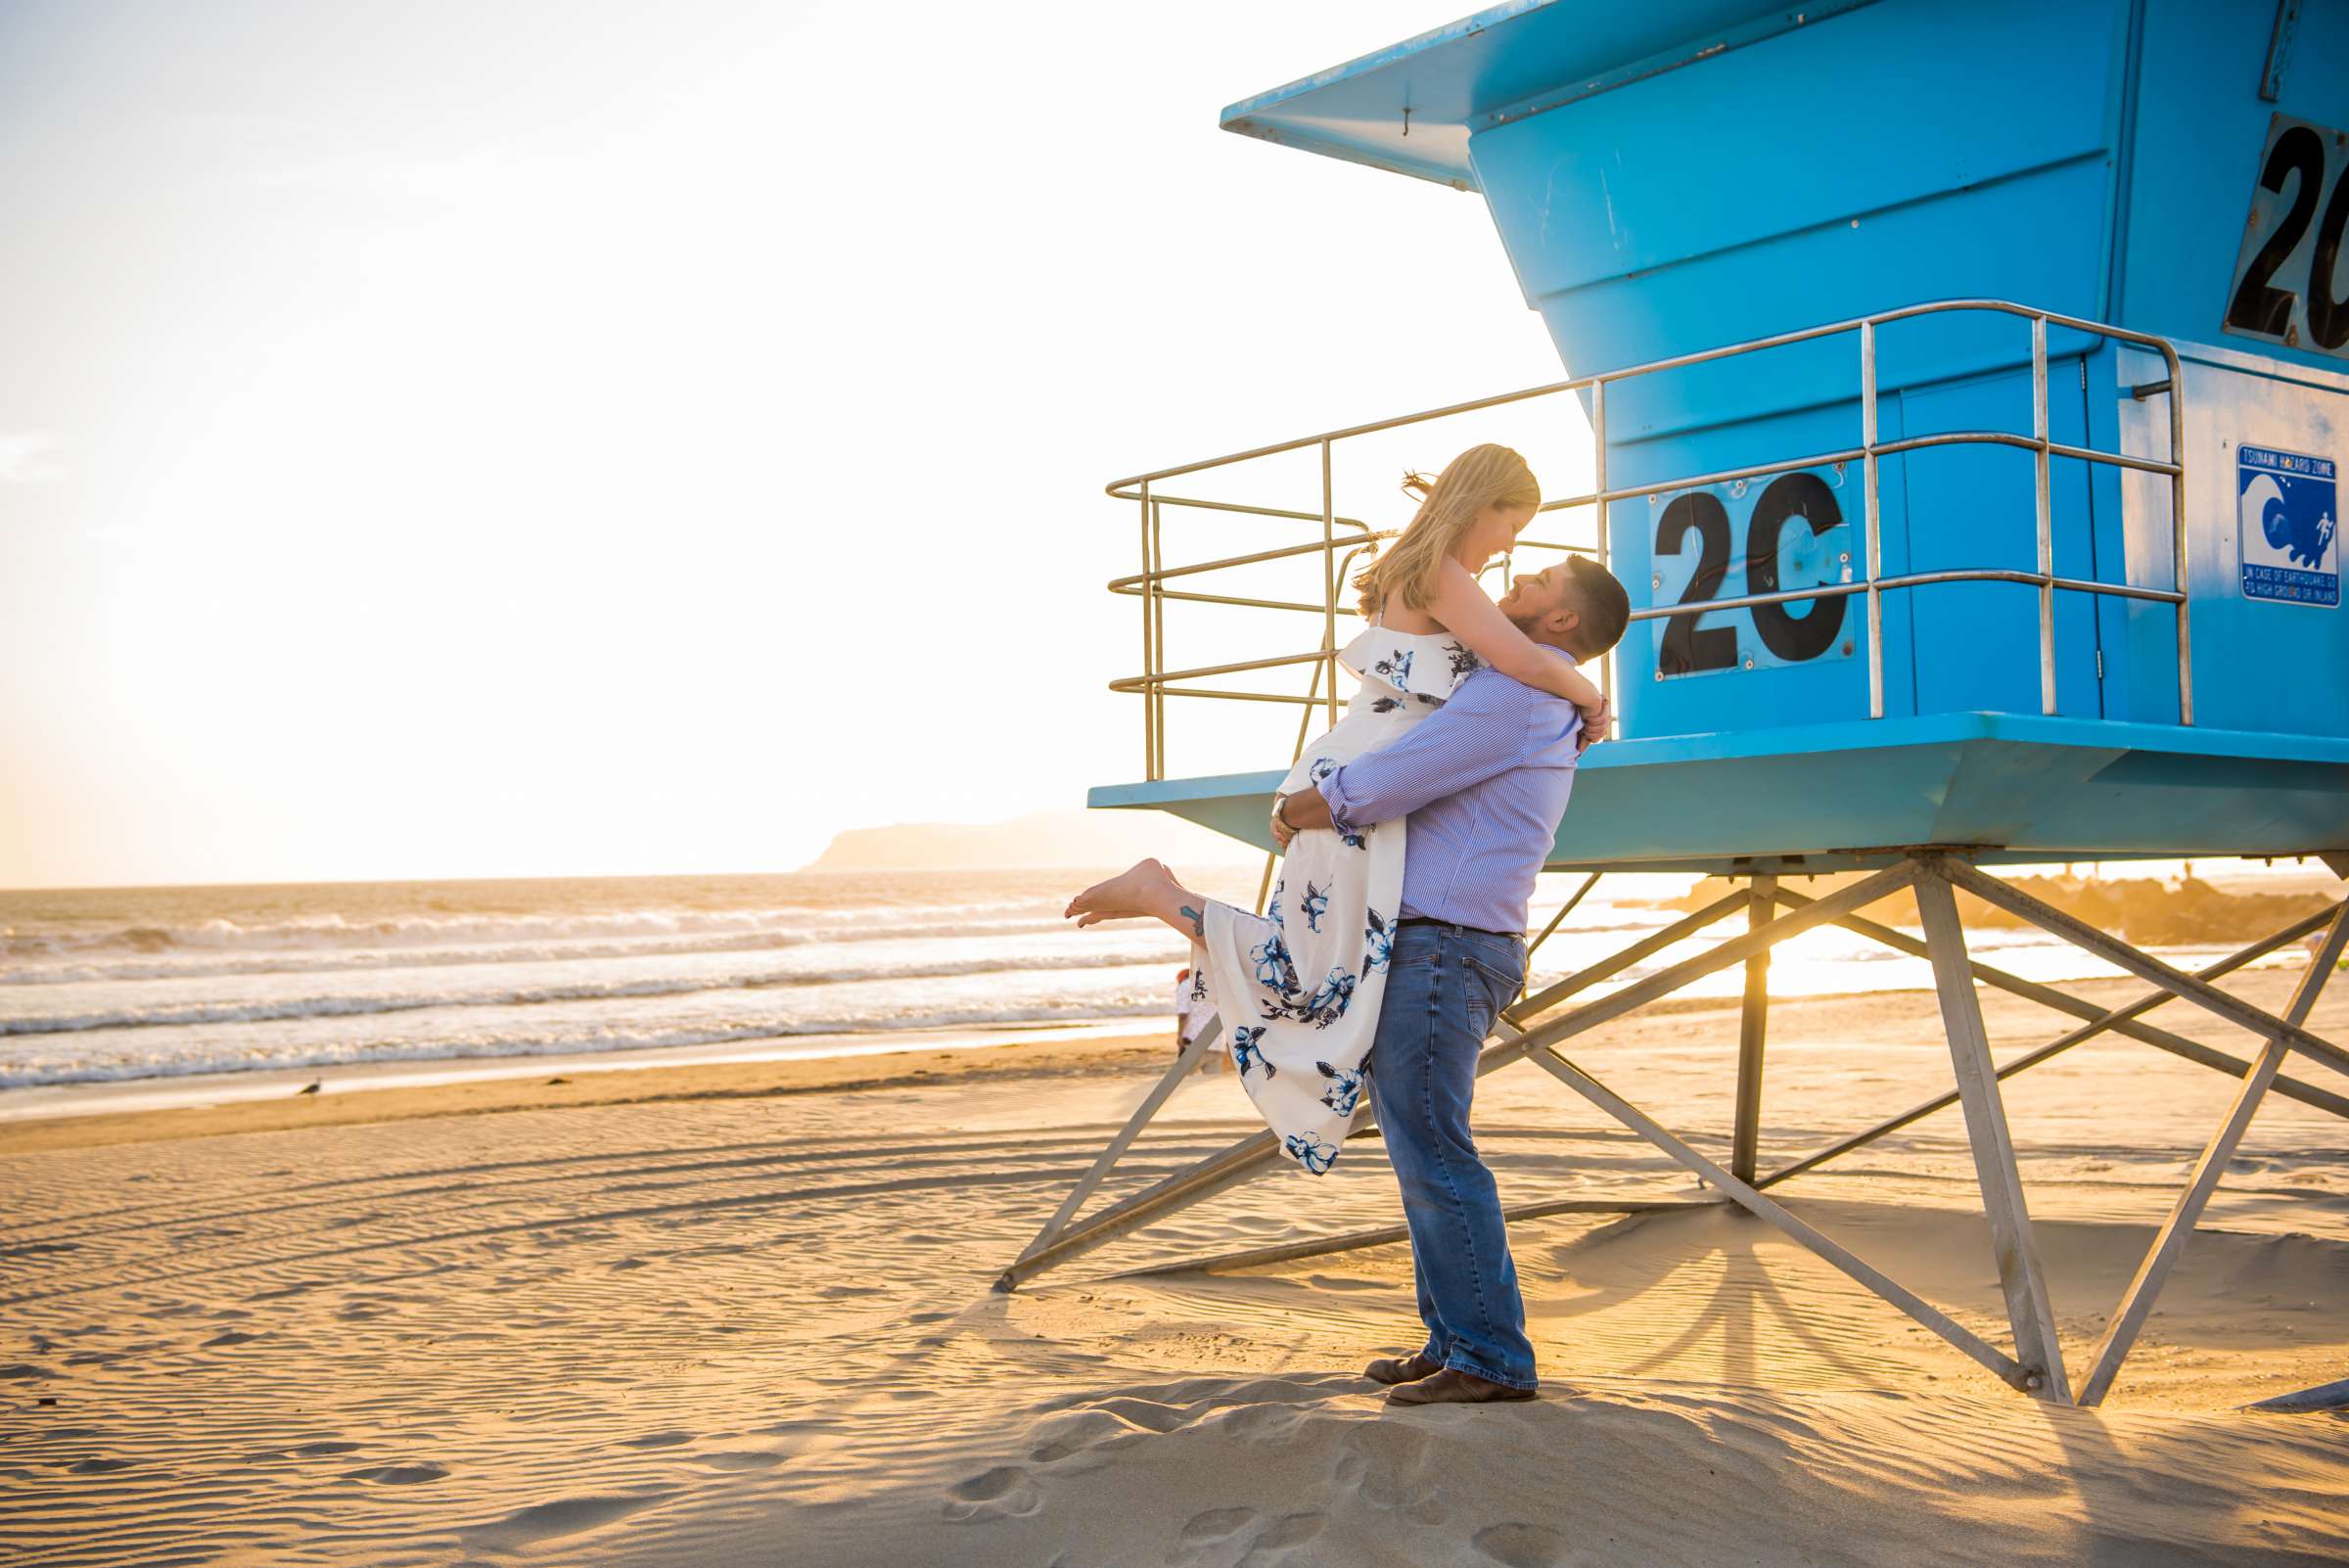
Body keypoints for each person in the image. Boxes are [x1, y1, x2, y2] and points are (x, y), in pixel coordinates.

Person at [1068, 550, 1630, 1404]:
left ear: (1562, 623)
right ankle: (1455, 1341)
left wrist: (1299, 808)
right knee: (1420, 1150)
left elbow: (1395, 779)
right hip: (1437, 943)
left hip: (1444, 945)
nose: (1519, 579)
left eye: (1542, 579)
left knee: (1435, 1152)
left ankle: (1489, 1357)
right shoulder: (1532, 686)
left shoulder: (1519, 695)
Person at [1065, 445, 1611, 1179]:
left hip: (1369, 766)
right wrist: (1589, 696)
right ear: (1485, 505)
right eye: (1516, 526)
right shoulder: (1441, 574)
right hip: (1367, 768)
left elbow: (1514, 666)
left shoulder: (1444, 573)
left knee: (1317, 961)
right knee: (1314, 966)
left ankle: (1167, 898)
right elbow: (1526, 663)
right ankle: (1163, 897)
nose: (1514, 548)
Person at [1172, 966, 1219, 1073]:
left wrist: (1179, 1036)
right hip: (1217, 1041)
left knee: (1182, 1078)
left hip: (1194, 1041)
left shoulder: (1184, 985)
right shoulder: (1212, 983)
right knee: (1213, 1084)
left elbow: (1183, 1014)